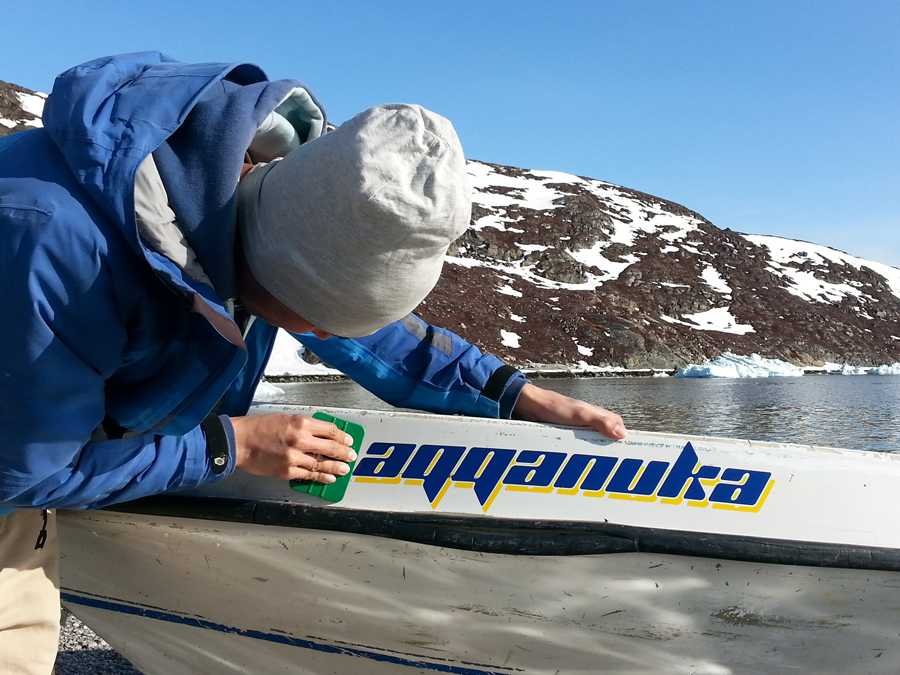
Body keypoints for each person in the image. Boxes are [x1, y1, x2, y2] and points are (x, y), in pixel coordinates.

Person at [0, 52, 626, 674]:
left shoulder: (274, 200)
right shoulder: (51, 248)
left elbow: (382, 339)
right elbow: (17, 473)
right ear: (271, 272)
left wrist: (508, 392)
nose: (329, 336)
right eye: (319, 318)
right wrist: (226, 448)